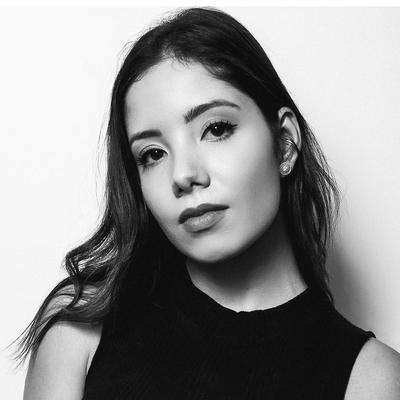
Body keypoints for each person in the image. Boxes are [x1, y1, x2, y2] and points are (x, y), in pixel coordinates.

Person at [14, 6, 400, 400]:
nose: (183, 175)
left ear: (285, 142)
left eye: (215, 129)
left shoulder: (370, 379)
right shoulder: (82, 322)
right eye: (152, 154)